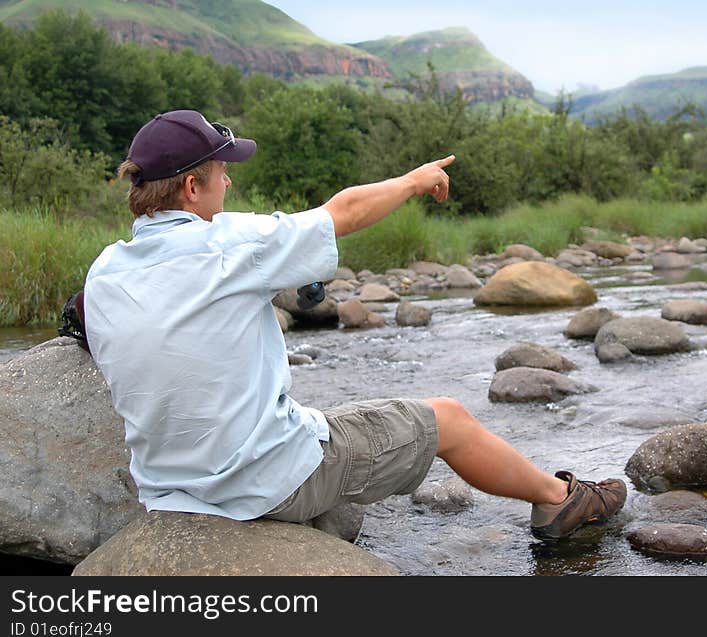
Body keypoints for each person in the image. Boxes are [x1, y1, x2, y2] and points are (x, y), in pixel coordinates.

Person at [85, 109, 626, 543]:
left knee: (314, 415)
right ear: (191, 188)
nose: (228, 178)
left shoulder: (105, 271)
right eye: (221, 171)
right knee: (452, 419)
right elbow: (342, 212)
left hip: (169, 490)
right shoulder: (227, 241)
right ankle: (565, 500)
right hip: (258, 483)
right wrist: (416, 180)